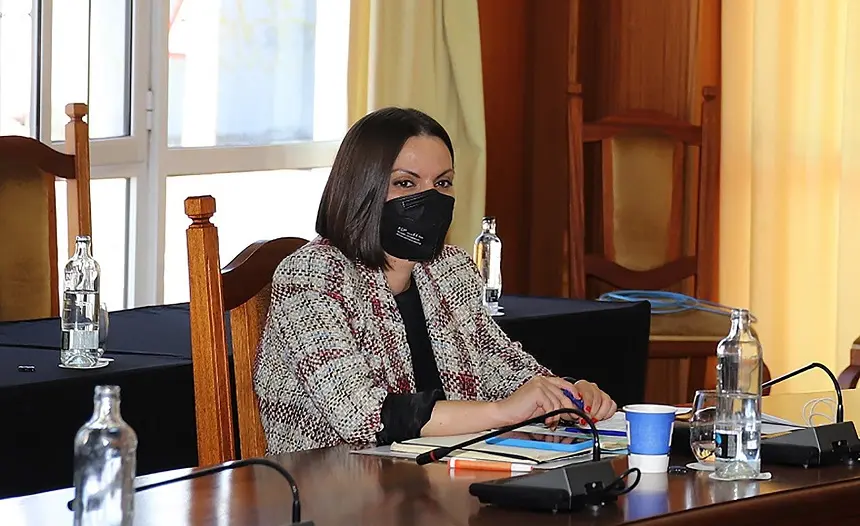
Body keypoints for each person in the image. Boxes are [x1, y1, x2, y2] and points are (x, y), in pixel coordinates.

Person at [254, 107, 617, 454]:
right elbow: (361, 414)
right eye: (405, 183)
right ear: (361, 188)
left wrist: (565, 393)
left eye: (442, 182)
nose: (430, 199)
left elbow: (502, 366)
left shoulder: (449, 269)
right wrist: (503, 411)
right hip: (332, 490)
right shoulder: (312, 274)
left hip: (434, 477)